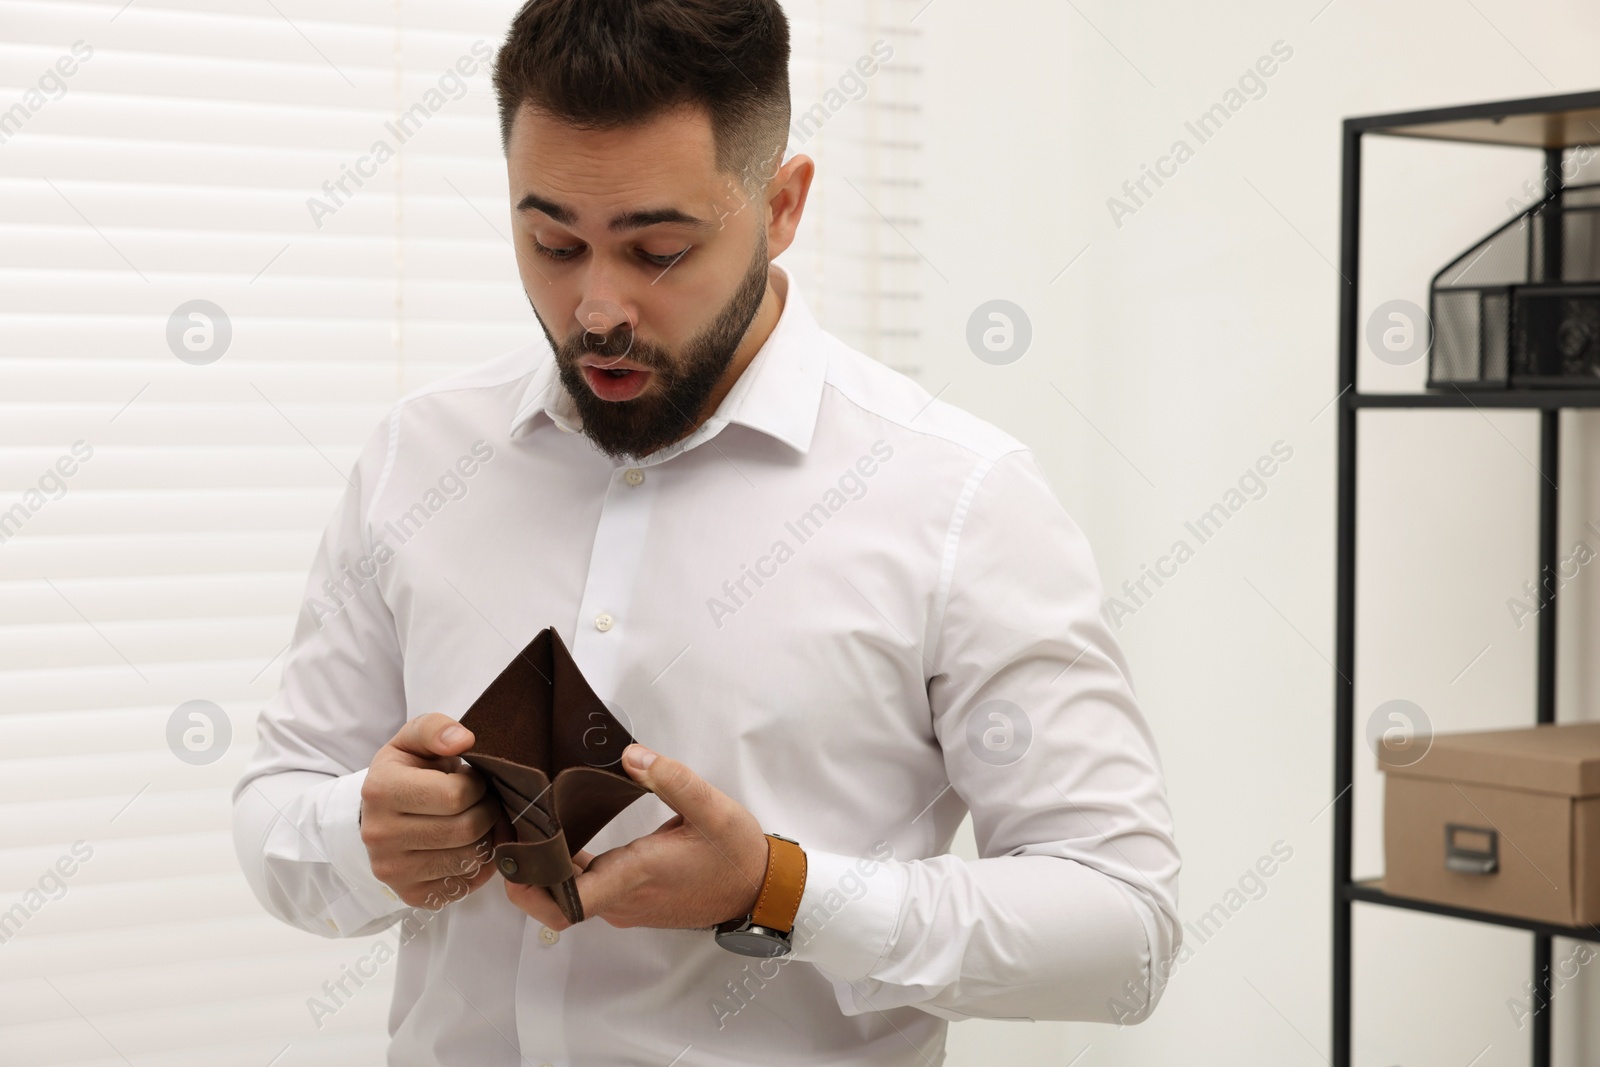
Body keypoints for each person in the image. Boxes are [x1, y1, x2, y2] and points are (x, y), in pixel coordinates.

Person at [231, 1, 1182, 1062]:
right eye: (552, 241)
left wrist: (780, 888)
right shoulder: (417, 454)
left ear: (782, 205)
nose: (595, 307)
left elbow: (1123, 928)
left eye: (659, 249)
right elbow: (277, 816)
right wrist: (368, 834)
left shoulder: (960, 498)